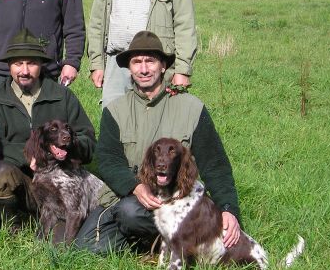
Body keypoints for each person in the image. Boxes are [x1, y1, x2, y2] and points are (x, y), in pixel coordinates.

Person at [76, 31, 241, 253]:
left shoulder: (191, 107)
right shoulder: (115, 111)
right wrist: (135, 187)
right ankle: (156, 243)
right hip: (129, 197)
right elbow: (108, 160)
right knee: (86, 249)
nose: (143, 69)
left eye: (150, 61)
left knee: (130, 214)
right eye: (137, 62)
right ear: (129, 68)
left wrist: (228, 208)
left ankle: (178, 241)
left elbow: (215, 164)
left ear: (163, 65)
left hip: (177, 203)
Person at [0, 28, 95, 226]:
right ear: (8, 66)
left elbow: (88, 140)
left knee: (59, 245)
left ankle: (54, 220)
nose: (24, 70)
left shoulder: (62, 97)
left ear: (41, 65)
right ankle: (12, 225)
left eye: (31, 63)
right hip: (21, 180)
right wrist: (29, 155)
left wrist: (65, 149)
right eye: (17, 64)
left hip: (60, 184)